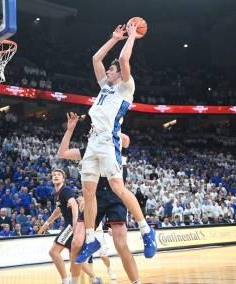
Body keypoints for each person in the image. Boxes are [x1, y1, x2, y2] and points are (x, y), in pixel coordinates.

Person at [75, 23, 156, 263]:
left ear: (119, 74)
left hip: (109, 142)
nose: (107, 73)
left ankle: (146, 231)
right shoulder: (105, 88)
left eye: (111, 71)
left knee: (118, 188)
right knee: (88, 192)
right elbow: (96, 58)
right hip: (92, 142)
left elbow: (122, 59)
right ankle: (91, 240)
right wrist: (113, 38)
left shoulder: (125, 88)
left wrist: (130, 36)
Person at [57, 112, 140, 283]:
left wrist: (106, 128)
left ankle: (136, 281)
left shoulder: (117, 144)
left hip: (116, 197)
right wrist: (70, 130)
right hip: (93, 199)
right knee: (76, 243)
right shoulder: (88, 150)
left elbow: (126, 140)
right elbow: (62, 153)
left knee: (121, 245)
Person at [38, 169, 102, 284]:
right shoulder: (57, 194)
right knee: (75, 256)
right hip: (71, 225)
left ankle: (65, 280)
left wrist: (75, 225)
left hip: (72, 225)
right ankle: (95, 279)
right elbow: (58, 211)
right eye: (54, 175)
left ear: (63, 179)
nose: (56, 176)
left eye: (58, 175)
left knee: (53, 252)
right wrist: (46, 224)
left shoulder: (65, 190)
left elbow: (74, 205)